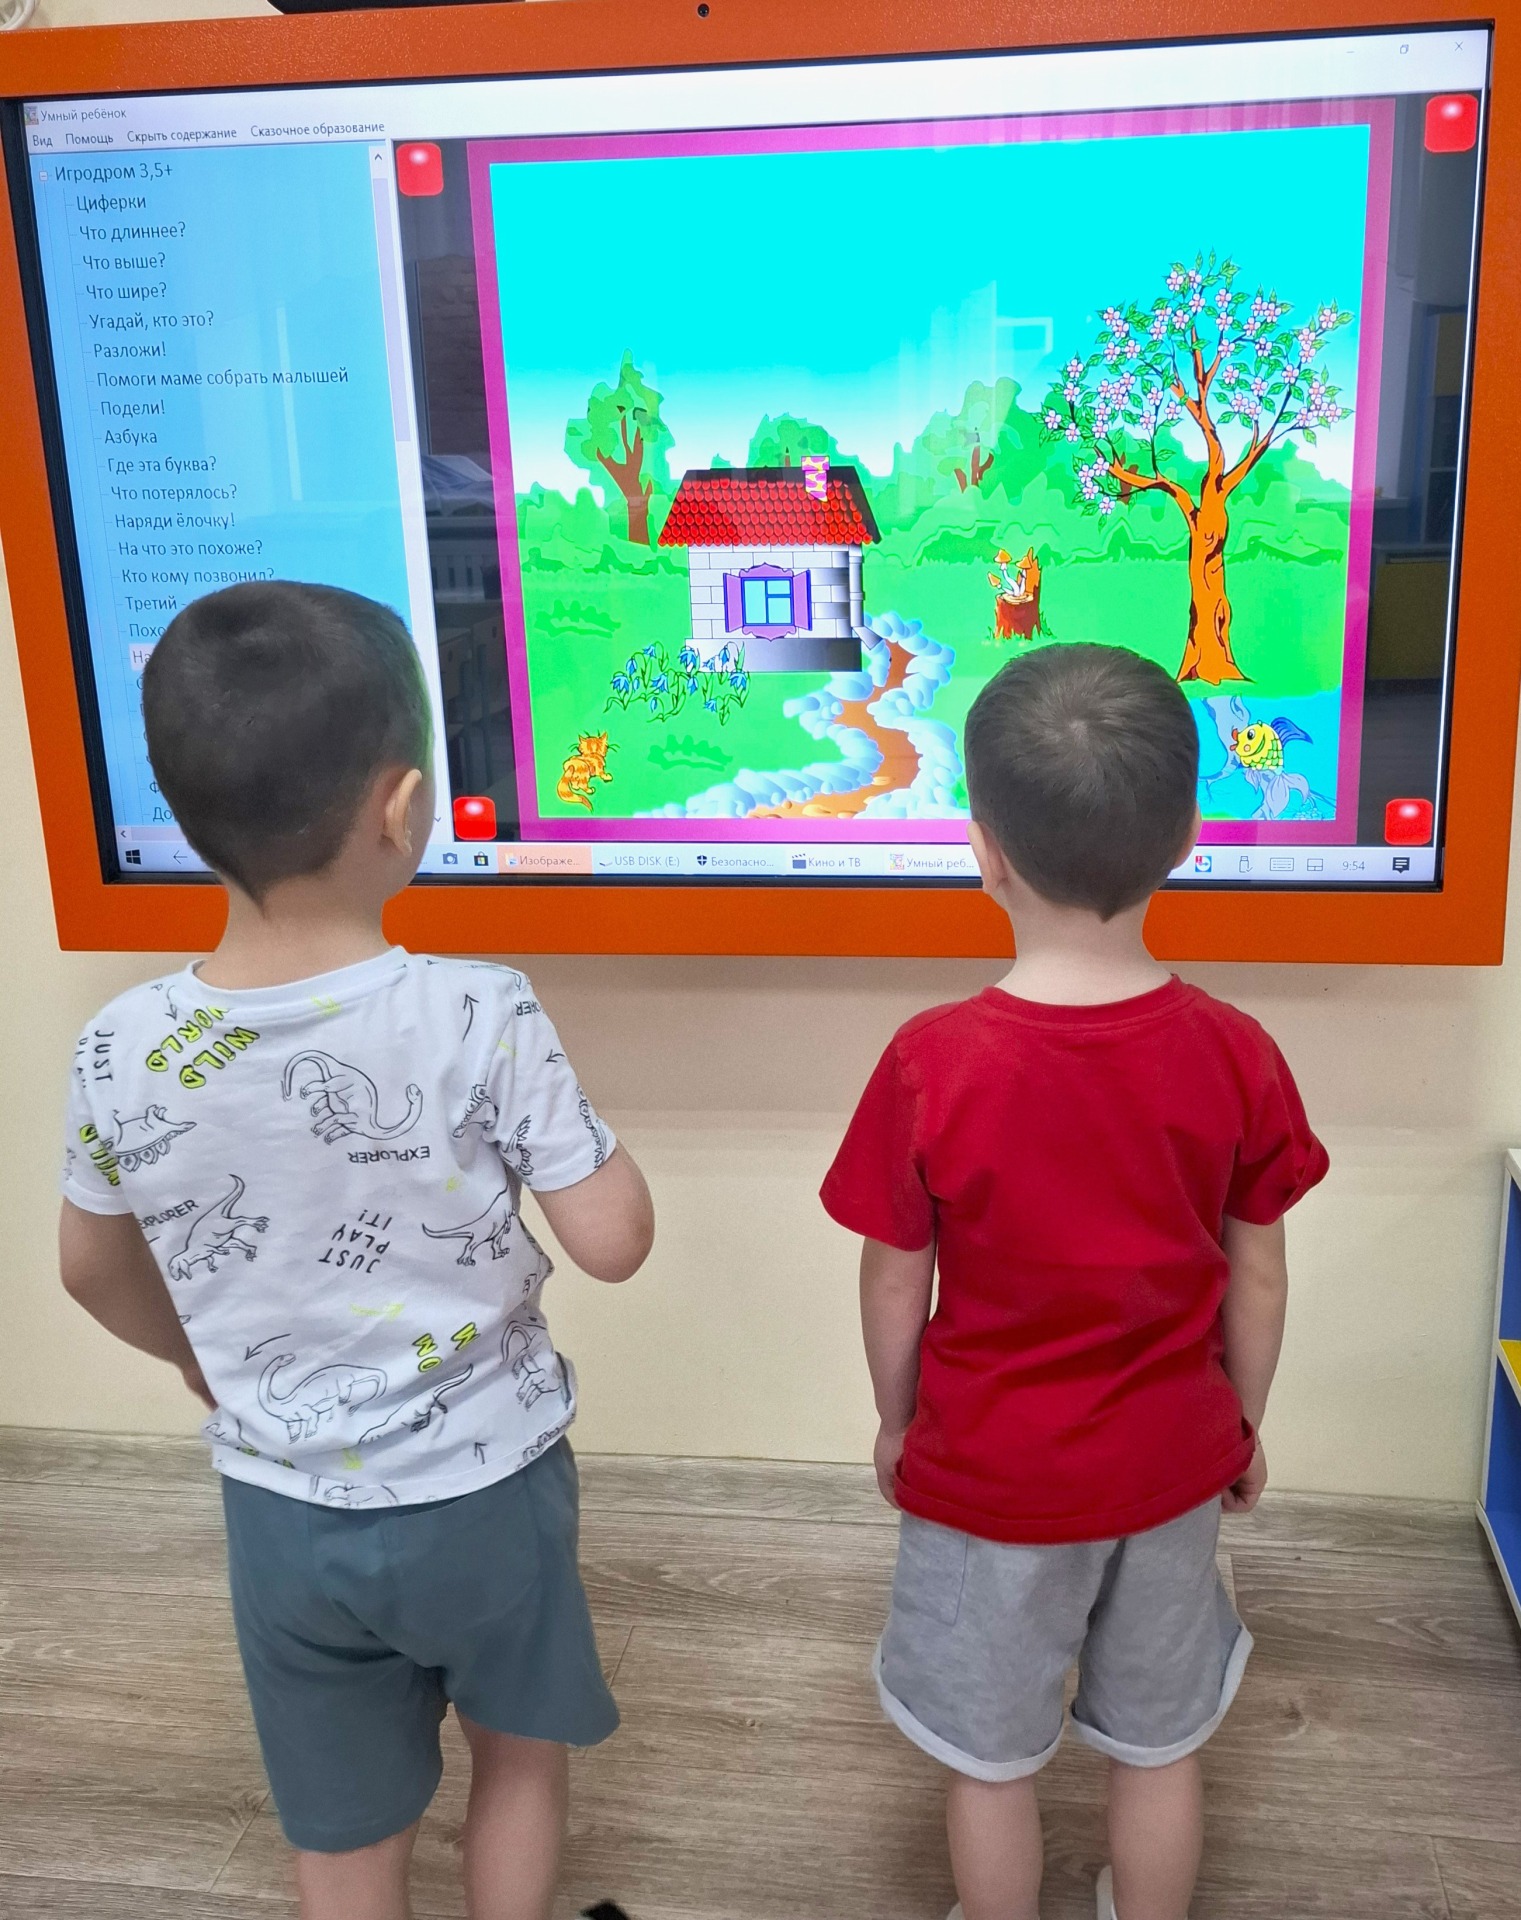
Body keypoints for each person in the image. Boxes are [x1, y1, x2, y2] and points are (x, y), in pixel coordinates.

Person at [58, 581, 655, 1920]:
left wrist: (196, 1358)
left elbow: (89, 1269)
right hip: (487, 1489)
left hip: (283, 1513)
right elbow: (613, 1242)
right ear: (404, 808)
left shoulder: (118, 1046)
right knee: (518, 1751)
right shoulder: (479, 1009)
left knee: (340, 1825)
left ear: (183, 818)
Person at [821, 644, 1327, 1920]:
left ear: (983, 850)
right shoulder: (1238, 1052)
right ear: (1188, 836)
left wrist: (895, 1419)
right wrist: (1241, 1421)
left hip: (990, 1475)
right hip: (1169, 1465)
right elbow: (1259, 1275)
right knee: (1159, 1746)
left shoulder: (932, 1062)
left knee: (988, 1762)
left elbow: (895, 1284)